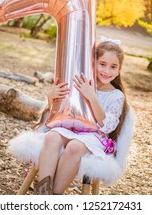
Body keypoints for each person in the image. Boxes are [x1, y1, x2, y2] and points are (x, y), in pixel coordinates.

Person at [34, 36, 128, 195]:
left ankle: (53, 197)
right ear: (94, 63)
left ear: (119, 70)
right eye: (102, 64)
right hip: (71, 127)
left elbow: (108, 125)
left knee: (74, 147)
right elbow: (61, 110)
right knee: (52, 137)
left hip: (94, 136)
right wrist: (52, 97)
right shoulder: (82, 82)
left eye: (113, 67)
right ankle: (43, 195)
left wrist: (92, 97)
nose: (107, 71)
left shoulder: (116, 95)